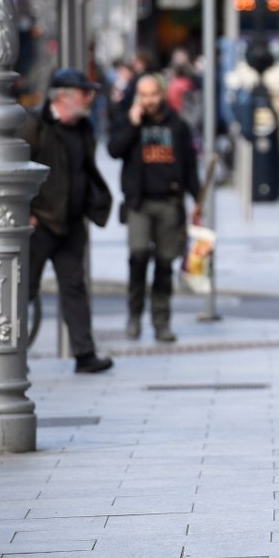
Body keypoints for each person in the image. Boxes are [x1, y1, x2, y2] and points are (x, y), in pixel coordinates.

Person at [22, 68, 114, 374]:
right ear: (62, 97)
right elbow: (18, 171)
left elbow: (86, 169)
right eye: (83, 93)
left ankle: (84, 354)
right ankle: (12, 354)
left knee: (74, 286)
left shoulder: (84, 127)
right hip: (40, 222)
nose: (89, 98)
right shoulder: (35, 125)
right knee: (25, 289)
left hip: (72, 222)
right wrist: (27, 213)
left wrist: (93, 203)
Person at [107, 74, 200, 343]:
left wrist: (197, 200)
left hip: (169, 202)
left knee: (164, 263)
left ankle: (161, 321)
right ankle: (134, 315)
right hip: (139, 203)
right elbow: (114, 150)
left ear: (162, 94)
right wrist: (133, 125)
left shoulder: (178, 126)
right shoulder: (129, 121)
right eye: (143, 95)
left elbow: (190, 165)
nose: (148, 101)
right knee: (137, 256)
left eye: (152, 95)